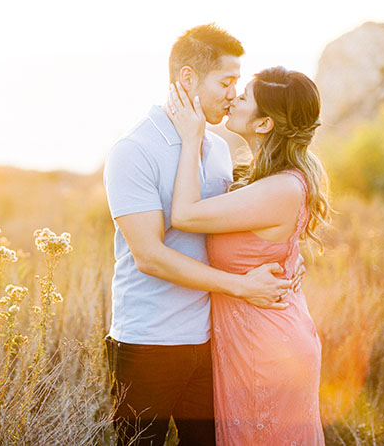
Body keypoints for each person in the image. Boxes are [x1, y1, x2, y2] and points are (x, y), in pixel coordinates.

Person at [103, 24, 303, 446]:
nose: (234, 94)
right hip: (149, 343)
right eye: (227, 82)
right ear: (189, 78)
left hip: (211, 341)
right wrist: (241, 286)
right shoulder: (134, 150)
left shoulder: (216, 149)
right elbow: (150, 257)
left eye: (237, 84)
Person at [164, 66, 330, 445]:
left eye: (245, 97)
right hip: (249, 338)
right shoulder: (265, 178)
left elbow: (185, 215)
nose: (234, 97)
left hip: (266, 349)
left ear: (264, 124)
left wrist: (192, 139)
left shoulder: (281, 188)